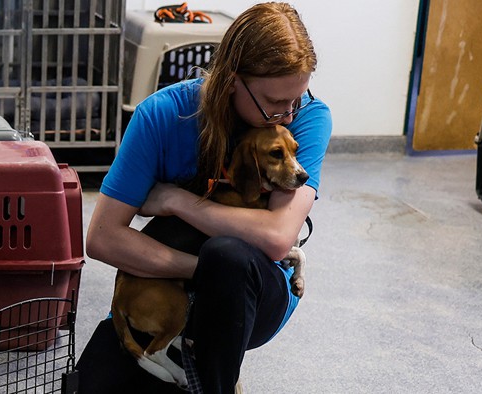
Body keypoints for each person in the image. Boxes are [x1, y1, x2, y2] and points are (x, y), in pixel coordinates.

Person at [75, 2, 332, 393]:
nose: (287, 114)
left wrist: (178, 201)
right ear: (232, 80)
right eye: (275, 102)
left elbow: (278, 238)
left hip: (254, 293)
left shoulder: (308, 119)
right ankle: (186, 354)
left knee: (228, 256)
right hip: (166, 289)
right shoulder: (161, 115)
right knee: (89, 387)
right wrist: (197, 272)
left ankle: (218, 383)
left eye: (295, 99)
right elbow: (102, 238)